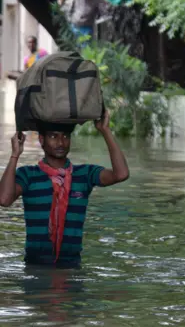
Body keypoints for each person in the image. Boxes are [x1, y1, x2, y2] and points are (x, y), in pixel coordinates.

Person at [0, 111, 129, 267]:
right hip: (36, 267)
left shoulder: (84, 174)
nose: (61, 142)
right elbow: (4, 199)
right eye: (54, 136)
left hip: (71, 266)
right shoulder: (28, 174)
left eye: (66, 136)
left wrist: (105, 130)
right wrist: (15, 155)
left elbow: (121, 174)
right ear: (42, 140)